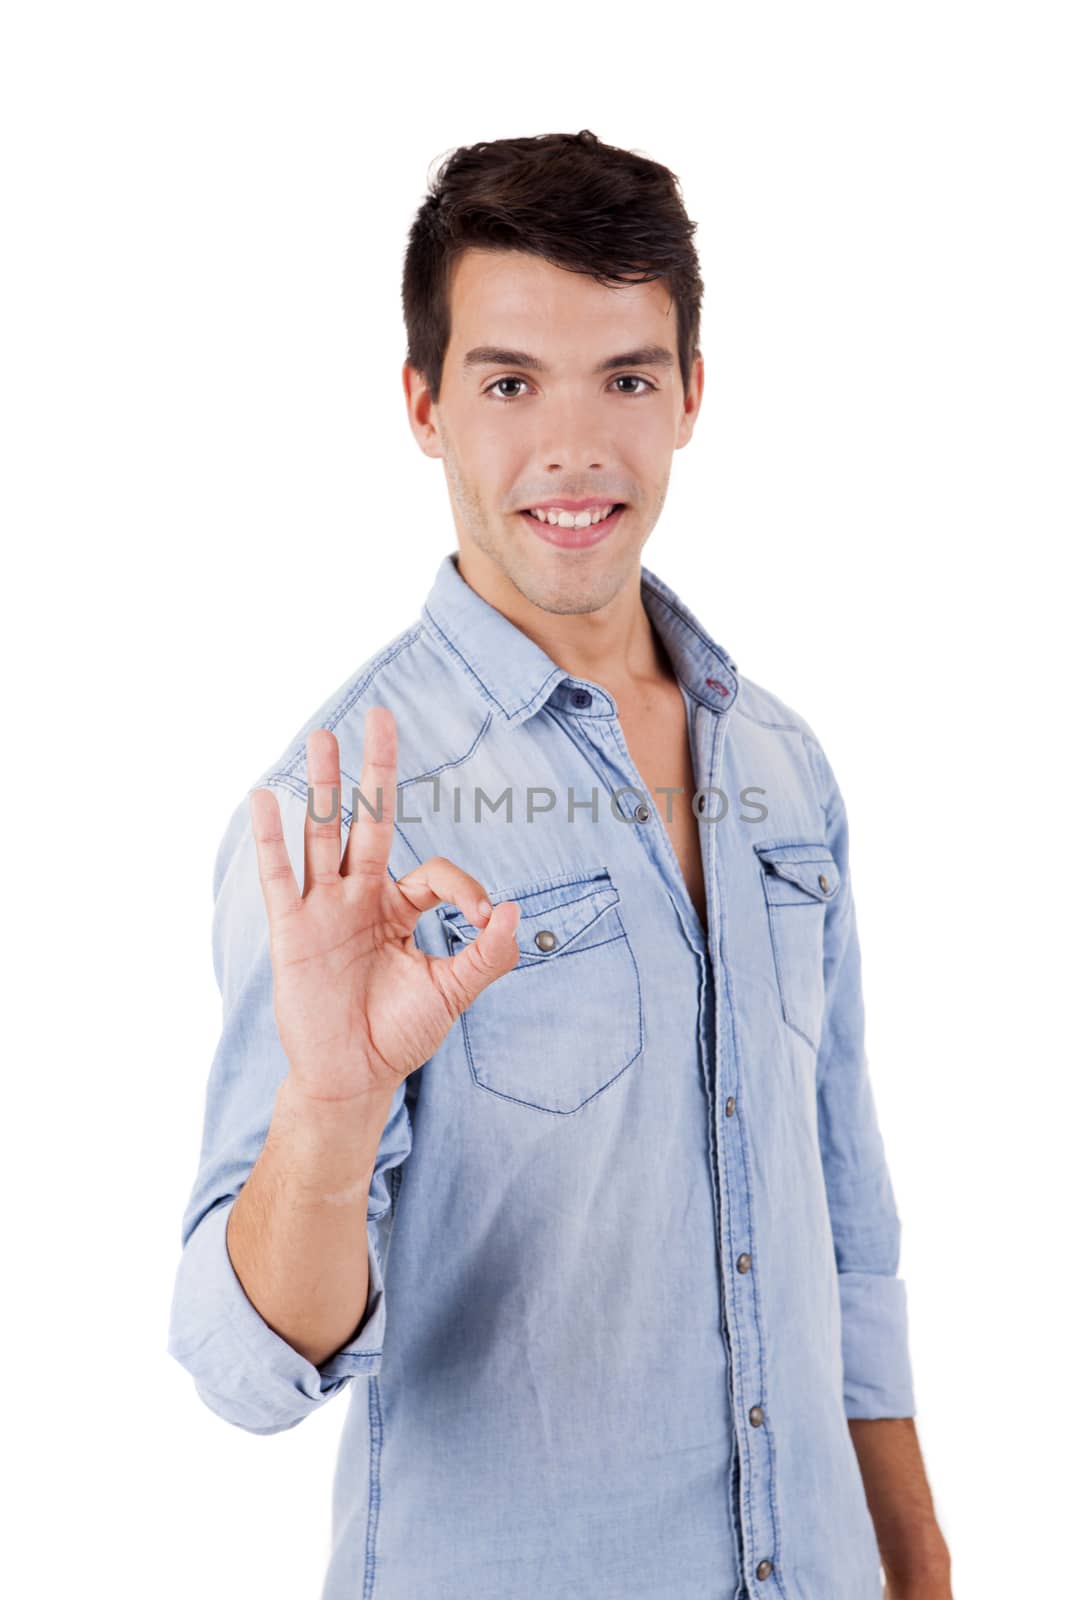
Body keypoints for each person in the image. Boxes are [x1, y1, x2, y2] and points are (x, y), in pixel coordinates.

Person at [167, 130, 952, 1600]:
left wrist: (916, 1559)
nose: (575, 447)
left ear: (692, 397)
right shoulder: (342, 812)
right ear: (425, 406)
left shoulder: (781, 764)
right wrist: (334, 1113)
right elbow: (242, 1363)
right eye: (510, 382)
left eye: (628, 379)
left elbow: (848, 1230)